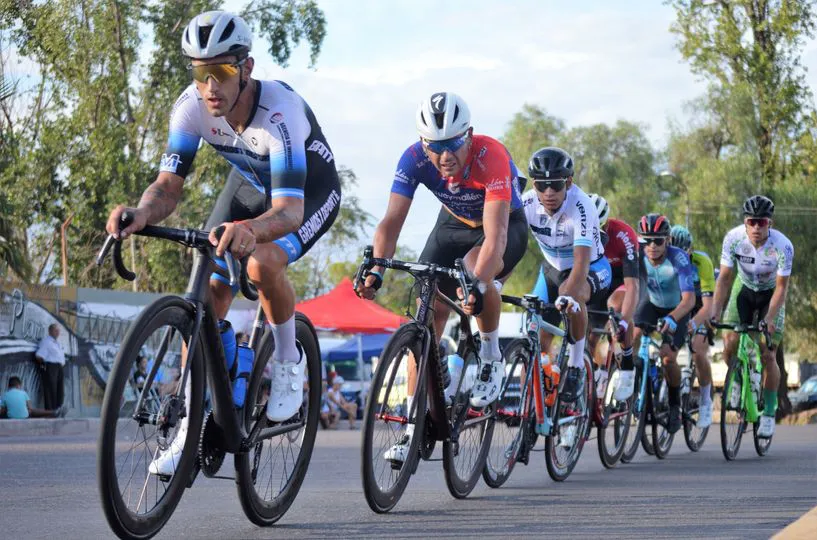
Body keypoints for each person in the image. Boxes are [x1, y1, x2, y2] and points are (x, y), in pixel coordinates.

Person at [105, 11, 341, 476]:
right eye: (200, 71)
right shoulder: (190, 107)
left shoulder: (279, 113)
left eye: (223, 71)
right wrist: (141, 212)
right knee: (211, 291)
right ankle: (192, 426)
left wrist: (252, 232)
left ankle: (289, 362)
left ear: (247, 68)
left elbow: (291, 212)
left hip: (307, 192)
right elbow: (168, 186)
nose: (210, 85)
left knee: (260, 266)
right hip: (251, 184)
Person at [356, 92, 528, 463]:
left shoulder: (491, 155)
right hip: (450, 225)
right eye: (435, 147)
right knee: (424, 309)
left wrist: (478, 284)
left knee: (474, 271)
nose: (445, 156)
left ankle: (490, 355)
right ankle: (413, 428)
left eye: (453, 144)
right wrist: (376, 267)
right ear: (423, 144)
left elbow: (495, 238)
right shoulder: (413, 158)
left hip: (501, 225)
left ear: (469, 135)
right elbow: (391, 221)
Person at [523, 149, 610, 415]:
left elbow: (581, 263)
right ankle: (533, 399)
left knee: (572, 295)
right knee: (538, 334)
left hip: (590, 266)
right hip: (550, 268)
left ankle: (574, 366)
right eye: (541, 184)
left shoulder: (581, 206)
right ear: (534, 185)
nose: (549, 192)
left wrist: (567, 296)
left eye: (556, 184)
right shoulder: (526, 203)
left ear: (568, 182)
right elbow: (507, 243)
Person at [711, 195, 792, 438]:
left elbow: (781, 287)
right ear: (745, 223)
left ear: (770, 223)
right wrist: (714, 312)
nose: (756, 227)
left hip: (771, 294)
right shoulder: (733, 239)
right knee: (730, 343)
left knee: (768, 354)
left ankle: (768, 411)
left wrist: (768, 319)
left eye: (762, 222)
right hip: (743, 288)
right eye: (752, 222)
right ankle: (737, 379)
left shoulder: (783, 246)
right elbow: (724, 279)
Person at [634, 214, 696, 434]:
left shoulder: (678, 258)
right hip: (650, 304)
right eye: (646, 240)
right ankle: (635, 383)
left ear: (667, 240)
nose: (652, 246)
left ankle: (674, 405)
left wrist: (672, 318)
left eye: (658, 240)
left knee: (668, 356)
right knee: (629, 338)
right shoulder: (636, 255)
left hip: (677, 310)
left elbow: (690, 300)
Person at [586, 194, 639, 402]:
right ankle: (591, 377)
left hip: (622, 279)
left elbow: (633, 285)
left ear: (606, 223)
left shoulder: (623, 234)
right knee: (588, 336)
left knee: (615, 307)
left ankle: (627, 364)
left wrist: (624, 321)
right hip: (597, 277)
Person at [669, 225, 716, 428]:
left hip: (704, 305)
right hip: (681, 303)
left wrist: (694, 323)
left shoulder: (701, 262)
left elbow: (708, 307)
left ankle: (706, 401)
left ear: (691, 249)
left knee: (698, 351)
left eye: (684, 252)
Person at [1, 377, 66, 419]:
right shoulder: (24, 393)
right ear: (19, 385)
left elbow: (2, 410)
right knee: (31, 411)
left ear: (9, 386)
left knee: (7, 409)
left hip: (11, 417)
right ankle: (53, 412)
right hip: (25, 417)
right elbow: (30, 408)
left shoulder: (4, 395)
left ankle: (53, 414)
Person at [34, 323, 66, 410]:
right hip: (51, 367)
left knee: (60, 391)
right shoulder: (46, 342)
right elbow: (39, 356)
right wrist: (45, 366)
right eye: (56, 330)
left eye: (58, 331)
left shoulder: (58, 343)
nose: (57, 332)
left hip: (59, 367)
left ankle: (58, 410)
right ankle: (51, 411)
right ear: (50, 331)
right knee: (51, 390)